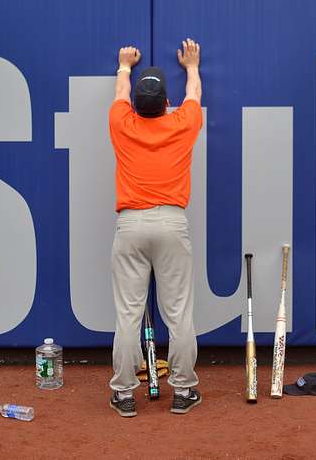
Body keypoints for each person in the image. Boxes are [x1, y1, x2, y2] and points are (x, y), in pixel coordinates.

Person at [108, 39, 204, 418]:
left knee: (128, 314)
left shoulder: (121, 122)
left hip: (130, 224)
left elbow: (119, 92)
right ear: (166, 103)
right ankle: (183, 391)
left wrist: (124, 65)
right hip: (171, 222)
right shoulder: (183, 122)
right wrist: (192, 66)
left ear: (136, 103)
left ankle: (124, 394)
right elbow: (194, 92)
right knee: (178, 312)